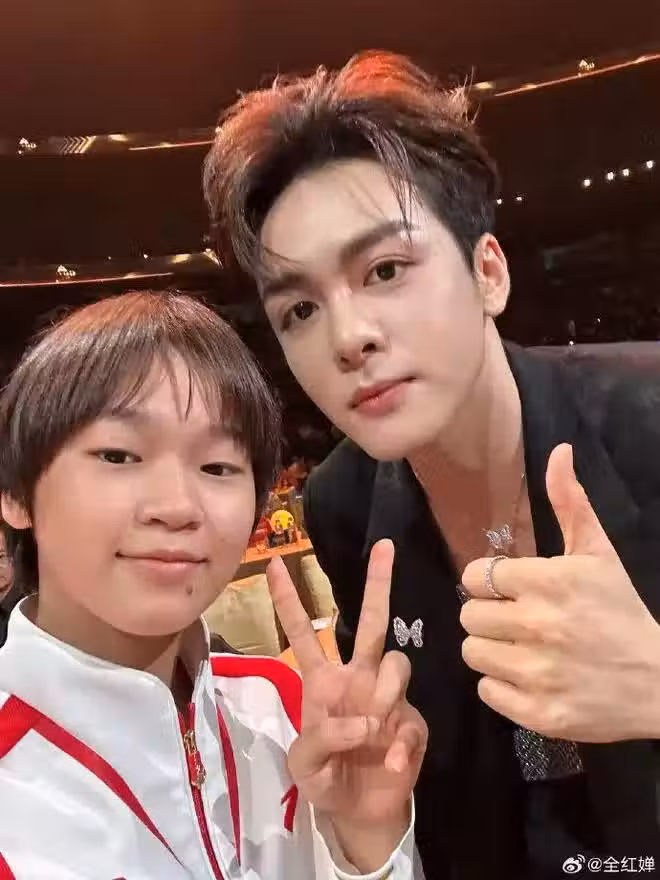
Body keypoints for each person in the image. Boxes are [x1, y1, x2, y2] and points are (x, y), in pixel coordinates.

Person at [203, 51, 660, 877]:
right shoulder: (342, 505)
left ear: (489, 272)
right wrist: (368, 825)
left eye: (385, 270)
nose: (348, 338)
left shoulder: (647, 416)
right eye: (300, 309)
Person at [0, 291, 427, 879]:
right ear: (15, 493)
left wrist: (370, 840)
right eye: (119, 456)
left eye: (218, 467)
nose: (178, 506)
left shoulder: (288, 709)